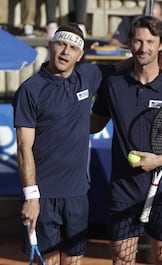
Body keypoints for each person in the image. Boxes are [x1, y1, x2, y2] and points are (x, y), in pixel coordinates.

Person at [90, 16, 162, 265]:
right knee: (122, 259)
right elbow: (93, 124)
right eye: (138, 41)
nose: (143, 48)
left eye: (150, 42)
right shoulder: (113, 84)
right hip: (123, 191)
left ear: (161, 44)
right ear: (129, 43)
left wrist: (161, 160)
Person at [12, 23, 113, 265]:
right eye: (61, 44)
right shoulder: (30, 90)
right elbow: (24, 149)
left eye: (72, 48)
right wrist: (31, 197)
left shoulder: (89, 75)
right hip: (43, 197)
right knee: (49, 261)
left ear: (80, 55)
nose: (65, 52)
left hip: (78, 194)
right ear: (50, 46)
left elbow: (126, 66)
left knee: (74, 261)